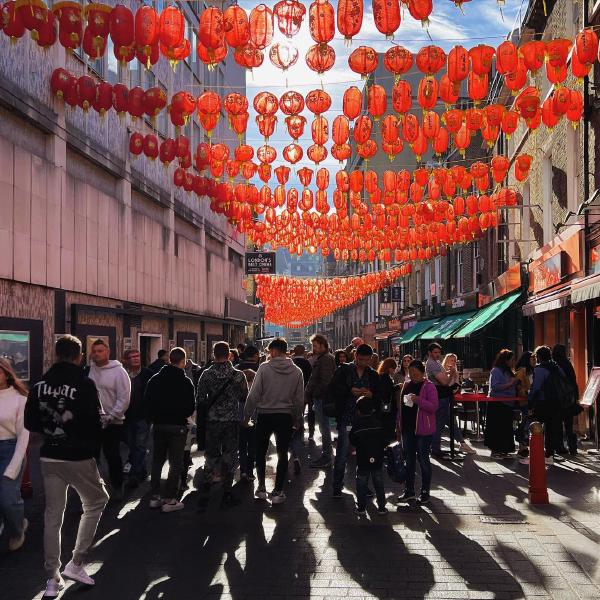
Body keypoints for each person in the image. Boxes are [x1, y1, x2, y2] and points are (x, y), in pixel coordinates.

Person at [24, 335, 108, 597]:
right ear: (79, 356)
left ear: (56, 354)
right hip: (79, 455)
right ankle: (78, 561)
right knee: (96, 501)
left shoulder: (39, 386)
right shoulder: (84, 384)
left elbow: (30, 423)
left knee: (53, 515)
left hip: (50, 455)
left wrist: (53, 432)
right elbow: (95, 424)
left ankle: (51, 577)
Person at [243, 338, 304, 505]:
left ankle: (261, 488)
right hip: (285, 416)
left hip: (265, 415)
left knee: (261, 452)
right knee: (283, 453)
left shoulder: (264, 368)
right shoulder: (296, 371)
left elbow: (254, 395)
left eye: (270, 351)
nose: (269, 355)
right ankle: (278, 491)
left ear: (275, 351)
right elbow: (299, 399)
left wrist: (247, 415)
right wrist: (298, 418)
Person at [196, 342, 248, 510]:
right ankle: (227, 492)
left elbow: (200, 399)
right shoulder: (238, 375)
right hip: (231, 422)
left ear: (213, 354)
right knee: (230, 456)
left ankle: (206, 486)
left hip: (212, 421)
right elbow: (243, 397)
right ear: (229, 355)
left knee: (211, 455)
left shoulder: (206, 374)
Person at [145, 347, 195, 512]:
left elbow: (148, 403)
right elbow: (190, 407)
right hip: (178, 426)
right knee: (176, 462)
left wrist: (155, 418)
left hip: (159, 425)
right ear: (183, 361)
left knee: (157, 460)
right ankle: (170, 499)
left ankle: (155, 496)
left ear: (169, 360)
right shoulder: (186, 382)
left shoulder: (154, 379)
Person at [330, 343, 381, 497]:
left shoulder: (372, 374)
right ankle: (337, 486)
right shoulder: (344, 370)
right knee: (342, 453)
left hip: (365, 421)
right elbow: (333, 389)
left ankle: (363, 486)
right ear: (355, 356)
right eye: (360, 359)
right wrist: (349, 390)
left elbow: (379, 395)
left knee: (365, 455)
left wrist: (371, 395)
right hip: (347, 418)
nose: (363, 362)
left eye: (366, 360)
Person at [88, 339, 131, 500]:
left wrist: (111, 416)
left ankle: (117, 486)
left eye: (100, 351)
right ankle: (95, 489)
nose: (97, 354)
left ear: (108, 352)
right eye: (95, 351)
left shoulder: (119, 372)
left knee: (112, 455)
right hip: (93, 423)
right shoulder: (89, 370)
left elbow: (124, 398)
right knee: (92, 457)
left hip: (113, 423)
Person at [397, 359, 439, 504]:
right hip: (408, 429)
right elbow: (401, 407)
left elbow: (433, 407)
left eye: (416, 373)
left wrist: (418, 400)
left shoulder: (430, 387)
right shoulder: (406, 385)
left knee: (423, 460)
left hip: (423, 430)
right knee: (409, 460)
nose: (413, 376)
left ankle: (425, 491)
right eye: (411, 373)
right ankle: (409, 491)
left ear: (423, 373)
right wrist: (399, 425)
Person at [0, 358, 30, 551]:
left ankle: (18, 529)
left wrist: (14, 466)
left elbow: (23, 436)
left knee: (8, 496)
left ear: (7, 373)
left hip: (11, 449)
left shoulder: (20, 399)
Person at [528, 345, 568, 464]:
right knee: (552, 427)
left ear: (539, 357)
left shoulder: (539, 369)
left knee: (536, 426)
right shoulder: (557, 367)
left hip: (543, 402)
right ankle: (549, 454)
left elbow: (536, 388)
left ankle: (537, 452)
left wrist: (530, 401)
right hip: (556, 402)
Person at [349, 396, 388, 516]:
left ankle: (361, 508)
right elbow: (385, 440)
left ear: (358, 411)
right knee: (379, 482)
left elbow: (353, 440)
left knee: (361, 483)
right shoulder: (379, 424)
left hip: (362, 459)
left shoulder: (357, 426)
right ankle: (381, 507)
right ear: (372, 410)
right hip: (377, 458)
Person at [121, 349, 153, 488]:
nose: (136, 359)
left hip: (142, 417)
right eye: (132, 357)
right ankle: (142, 470)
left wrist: (150, 416)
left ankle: (135, 475)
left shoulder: (148, 374)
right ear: (126, 360)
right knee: (132, 445)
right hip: (125, 417)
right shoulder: (122, 374)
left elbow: (153, 396)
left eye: (137, 356)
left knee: (139, 446)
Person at [306, 334, 337, 469]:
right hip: (321, 397)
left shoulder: (325, 359)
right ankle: (326, 456)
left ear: (323, 346)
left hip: (322, 398)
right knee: (323, 427)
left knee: (324, 428)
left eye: (315, 346)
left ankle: (326, 457)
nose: (313, 349)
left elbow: (325, 381)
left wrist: (315, 394)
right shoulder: (323, 358)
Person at [426, 342, 456, 459]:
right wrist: (452, 374)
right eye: (435, 352)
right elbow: (444, 382)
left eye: (439, 352)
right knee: (439, 423)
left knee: (443, 422)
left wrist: (448, 373)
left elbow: (442, 376)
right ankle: (435, 448)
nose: (438, 354)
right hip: (440, 394)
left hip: (442, 395)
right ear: (429, 353)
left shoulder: (436, 362)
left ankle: (435, 447)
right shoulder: (432, 364)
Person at [485, 349, 518, 459]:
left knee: (506, 428)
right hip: (497, 403)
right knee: (497, 427)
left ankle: (505, 450)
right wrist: (509, 384)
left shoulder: (509, 371)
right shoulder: (496, 371)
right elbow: (495, 386)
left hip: (508, 403)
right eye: (512, 359)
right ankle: (495, 451)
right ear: (506, 360)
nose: (514, 361)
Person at [441, 353, 476, 455]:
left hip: (449, 400)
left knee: (450, 422)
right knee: (445, 423)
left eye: (454, 360)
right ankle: (462, 444)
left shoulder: (455, 372)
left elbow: (455, 386)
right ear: (446, 360)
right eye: (451, 360)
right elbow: (445, 384)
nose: (453, 362)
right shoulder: (441, 370)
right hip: (442, 399)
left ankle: (462, 444)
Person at [552, 344, 579, 455]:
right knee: (569, 425)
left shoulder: (554, 365)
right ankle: (573, 448)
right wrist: (575, 397)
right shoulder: (567, 364)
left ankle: (560, 447)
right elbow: (573, 381)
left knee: (558, 424)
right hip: (568, 398)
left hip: (557, 399)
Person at [291, 344, 313, 473]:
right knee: (305, 411)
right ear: (304, 351)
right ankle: (304, 429)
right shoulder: (306, 363)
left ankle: (296, 427)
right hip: (304, 391)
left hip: (291, 394)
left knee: (295, 414)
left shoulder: (292, 362)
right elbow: (310, 377)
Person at [515, 351, 535, 458]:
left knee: (530, 423)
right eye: (533, 359)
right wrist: (527, 392)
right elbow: (518, 387)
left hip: (532, 401)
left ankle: (525, 445)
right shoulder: (521, 372)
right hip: (525, 401)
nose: (535, 361)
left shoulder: (534, 370)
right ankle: (522, 446)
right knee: (526, 423)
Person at [377, 358, 400, 444]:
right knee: (388, 427)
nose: (394, 370)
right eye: (393, 368)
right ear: (389, 367)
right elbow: (387, 391)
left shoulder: (381, 375)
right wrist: (398, 386)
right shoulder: (385, 377)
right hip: (388, 408)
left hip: (385, 407)